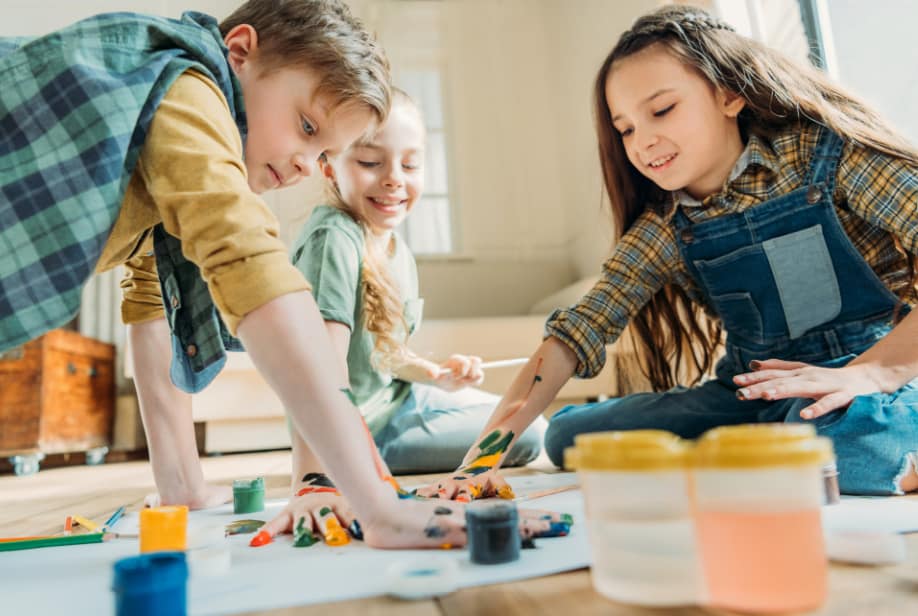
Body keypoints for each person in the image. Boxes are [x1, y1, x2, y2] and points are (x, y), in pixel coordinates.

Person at [0, 0, 560, 548]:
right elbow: (251, 266)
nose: (302, 165)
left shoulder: (161, 147)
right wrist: (378, 507)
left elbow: (152, 302)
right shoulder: (185, 88)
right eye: (306, 125)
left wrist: (183, 489)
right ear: (240, 52)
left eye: (323, 154)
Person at [418, 4, 918, 502]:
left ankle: (798, 447)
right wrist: (477, 463)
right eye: (626, 128)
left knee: (847, 444)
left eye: (661, 110)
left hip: (866, 385)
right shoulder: (665, 227)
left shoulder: (823, 155)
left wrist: (871, 372)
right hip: (749, 394)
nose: (642, 141)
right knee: (569, 438)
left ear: (729, 93)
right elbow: (575, 334)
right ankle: (771, 452)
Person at [287, 89, 543, 487]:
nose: (393, 179)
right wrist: (321, 476)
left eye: (410, 164)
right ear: (328, 166)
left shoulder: (395, 248)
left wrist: (434, 373)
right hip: (366, 431)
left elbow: (383, 357)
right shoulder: (333, 238)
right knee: (527, 432)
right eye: (371, 162)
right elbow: (321, 367)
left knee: (519, 413)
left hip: (402, 400)